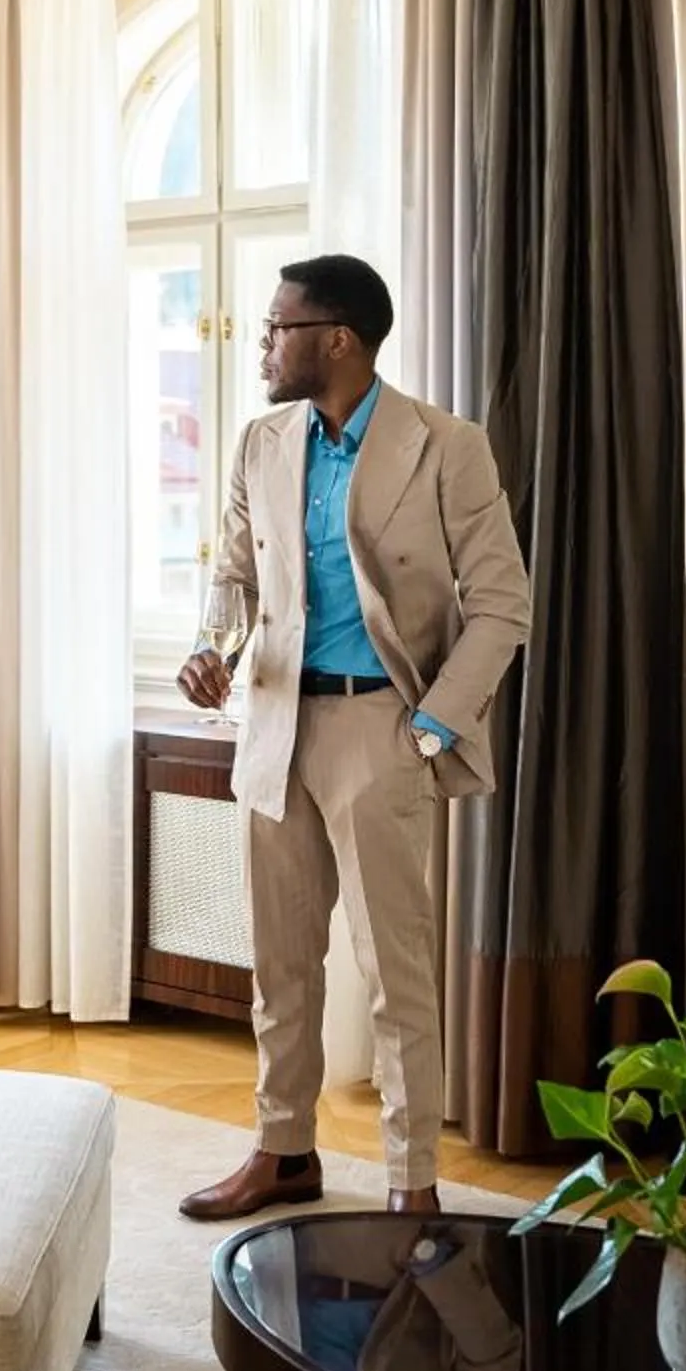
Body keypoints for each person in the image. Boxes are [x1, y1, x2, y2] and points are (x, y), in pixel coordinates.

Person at [176, 255, 529, 1221]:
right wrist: (211, 650)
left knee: (393, 973)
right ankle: (283, 1152)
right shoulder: (262, 442)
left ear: (336, 337)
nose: (261, 341)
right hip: (277, 725)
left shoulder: (447, 447)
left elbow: (504, 605)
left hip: (383, 726)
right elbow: (236, 579)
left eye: (276, 325)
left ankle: (413, 1188)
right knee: (281, 967)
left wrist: (428, 727)